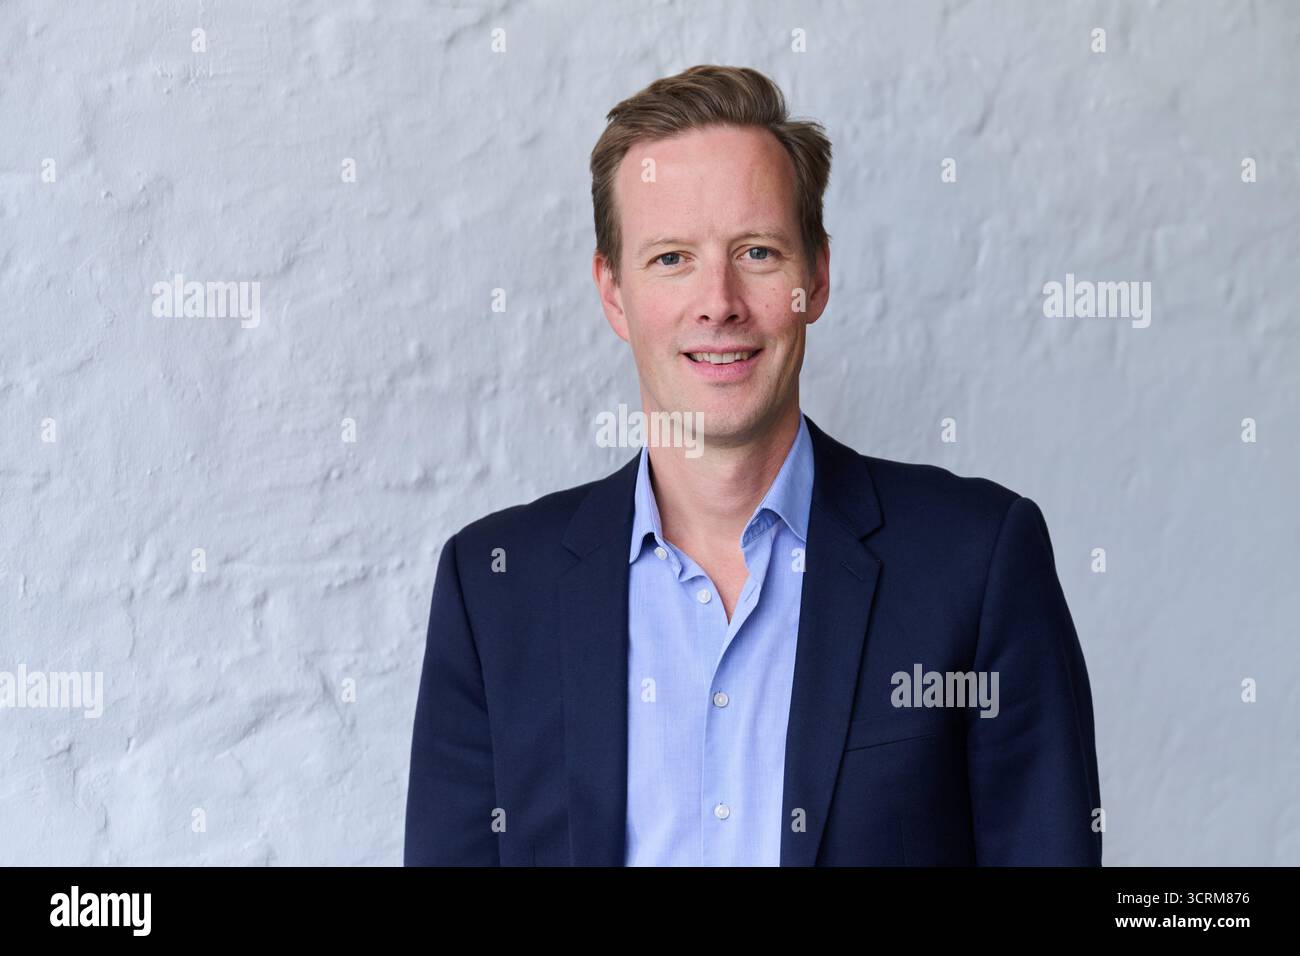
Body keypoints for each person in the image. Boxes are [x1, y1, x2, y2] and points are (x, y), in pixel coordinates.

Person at [404, 64, 1102, 866]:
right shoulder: (491, 589)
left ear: (817, 276)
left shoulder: (977, 562)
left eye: (758, 251)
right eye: (671, 259)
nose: (720, 301)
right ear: (613, 293)